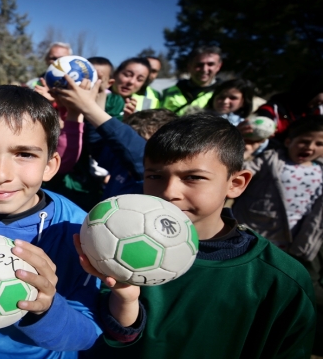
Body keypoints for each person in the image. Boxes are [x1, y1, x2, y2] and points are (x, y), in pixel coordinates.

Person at [61, 78, 315, 357]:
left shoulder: (279, 279)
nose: (169, 192)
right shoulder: (113, 245)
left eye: (193, 178)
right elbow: (108, 337)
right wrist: (125, 298)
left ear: (237, 183)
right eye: (155, 176)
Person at [0, 85, 145, 358]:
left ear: (50, 165)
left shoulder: (78, 230)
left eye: (24, 154)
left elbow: (88, 333)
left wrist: (45, 309)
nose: (0, 174)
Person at [232, 117, 323, 356]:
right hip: (253, 237)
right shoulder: (272, 158)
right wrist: (248, 150)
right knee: (245, 287)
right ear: (290, 140)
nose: (310, 148)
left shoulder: (319, 171)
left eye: (319, 143)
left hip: (289, 245)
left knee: (272, 292)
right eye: (304, 141)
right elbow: (242, 171)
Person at [162, 46, 223, 115]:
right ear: (189, 66)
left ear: (218, 66)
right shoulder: (169, 92)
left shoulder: (225, 94)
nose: (204, 69)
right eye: (199, 65)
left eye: (210, 64)